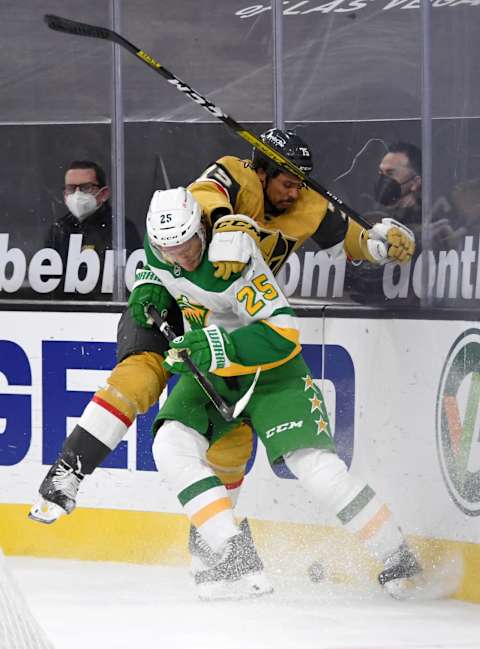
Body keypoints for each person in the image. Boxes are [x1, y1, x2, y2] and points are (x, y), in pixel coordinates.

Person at [30, 130, 415, 575]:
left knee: (241, 452)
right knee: (141, 382)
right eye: (287, 181)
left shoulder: (298, 210)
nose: (294, 191)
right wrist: (220, 227)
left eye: (300, 183)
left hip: (240, 316)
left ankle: (223, 551)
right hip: (184, 305)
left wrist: (379, 244)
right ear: (263, 170)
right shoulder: (230, 181)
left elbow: (347, 240)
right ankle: (69, 470)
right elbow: (202, 198)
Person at [137, 186, 421, 600]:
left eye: (188, 244)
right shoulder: (159, 246)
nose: (180, 257)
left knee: (316, 470)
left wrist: (218, 346)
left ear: (202, 226)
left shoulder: (231, 258)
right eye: (169, 251)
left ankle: (397, 554)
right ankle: (232, 551)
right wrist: (147, 288)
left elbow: (284, 333)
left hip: (272, 373)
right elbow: (158, 267)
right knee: (168, 445)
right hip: (213, 371)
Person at [45, 160, 142, 299]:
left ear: (104, 193)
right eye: (71, 188)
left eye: (85, 187)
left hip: (104, 312)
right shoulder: (59, 230)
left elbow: (132, 281)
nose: (77, 195)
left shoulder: (121, 229)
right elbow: (48, 282)